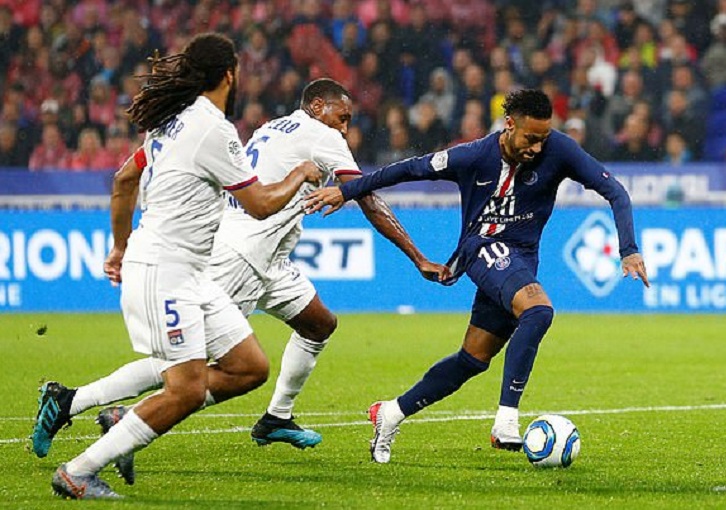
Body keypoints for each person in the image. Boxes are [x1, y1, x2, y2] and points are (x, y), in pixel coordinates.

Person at [32, 78, 447, 473]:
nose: (345, 128)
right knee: (195, 362)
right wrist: (418, 257)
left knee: (319, 324)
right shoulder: (322, 135)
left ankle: (276, 417)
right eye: (342, 117)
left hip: (269, 259)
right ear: (318, 106)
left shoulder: (273, 126)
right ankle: (76, 402)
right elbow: (367, 197)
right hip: (241, 256)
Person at [39, 33, 323, 499]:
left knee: (248, 367)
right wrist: (299, 173)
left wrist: (119, 247)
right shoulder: (213, 129)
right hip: (166, 272)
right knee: (186, 389)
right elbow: (259, 205)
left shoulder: (170, 121)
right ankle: (78, 471)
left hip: (188, 273)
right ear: (229, 74)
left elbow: (123, 179)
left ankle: (126, 421)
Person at [306, 89, 650, 464]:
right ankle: (506, 421)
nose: (536, 148)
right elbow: (406, 169)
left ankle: (390, 413)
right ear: (509, 124)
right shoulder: (472, 156)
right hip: (482, 248)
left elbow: (616, 192)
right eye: (530, 138)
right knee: (538, 311)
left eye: (543, 138)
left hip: (521, 260)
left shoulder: (560, 149)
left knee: (472, 359)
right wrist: (347, 191)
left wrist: (629, 249)